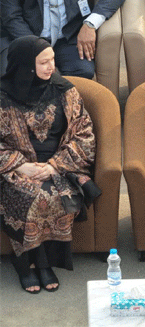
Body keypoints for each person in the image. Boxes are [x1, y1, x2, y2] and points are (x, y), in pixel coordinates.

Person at [1, 36, 101, 294]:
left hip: (59, 165)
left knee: (58, 195)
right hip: (14, 169)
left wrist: (55, 166)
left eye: (52, 60)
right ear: (26, 65)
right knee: (30, 196)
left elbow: (84, 132)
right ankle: (27, 266)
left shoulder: (64, 90)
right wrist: (20, 166)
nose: (51, 67)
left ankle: (44, 264)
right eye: (43, 62)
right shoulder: (3, 95)